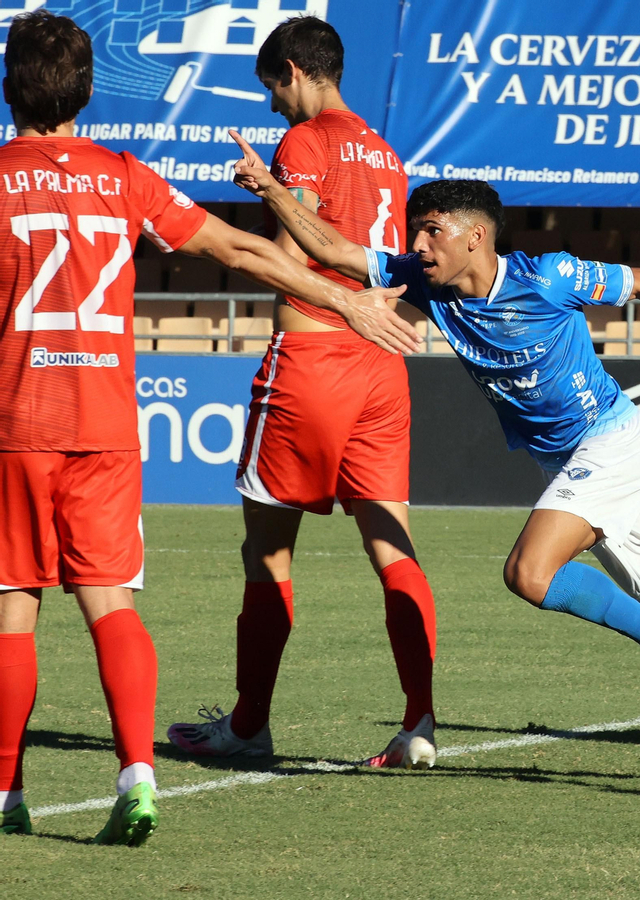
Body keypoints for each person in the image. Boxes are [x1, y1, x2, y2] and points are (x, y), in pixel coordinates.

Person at [229, 138, 640, 790]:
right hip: (575, 463)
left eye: (432, 230)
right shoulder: (425, 281)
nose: (419, 245)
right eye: (415, 230)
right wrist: (272, 190)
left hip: (613, 442)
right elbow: (334, 250)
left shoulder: (549, 277)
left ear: (476, 235)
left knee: (529, 572)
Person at [0, 11, 414, 844]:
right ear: (87, 90)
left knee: (12, 607)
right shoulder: (124, 175)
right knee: (110, 603)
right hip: (109, 424)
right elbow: (239, 249)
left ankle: (6, 791)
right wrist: (345, 299)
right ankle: (137, 774)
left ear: (9, 89)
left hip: (15, 419)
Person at [167, 16, 440, 771]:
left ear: (293, 69)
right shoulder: (385, 153)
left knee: (268, 555)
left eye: (272, 89)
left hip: (313, 362)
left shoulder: (304, 142)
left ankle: (249, 725)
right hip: (382, 368)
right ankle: (419, 721)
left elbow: (295, 253)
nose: (272, 107)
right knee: (394, 549)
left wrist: (266, 197)